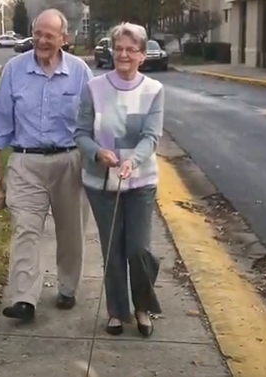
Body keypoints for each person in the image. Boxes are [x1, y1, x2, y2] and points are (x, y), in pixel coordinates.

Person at [0, 9, 94, 321]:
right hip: (25, 161)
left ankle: (67, 288)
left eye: (49, 35)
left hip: (69, 160)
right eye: (38, 33)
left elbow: (94, 117)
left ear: (64, 38)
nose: (42, 40)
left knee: (71, 231)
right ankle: (24, 299)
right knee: (25, 229)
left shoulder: (80, 72)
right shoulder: (14, 69)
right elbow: (2, 117)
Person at [74, 22, 164, 338]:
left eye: (131, 49)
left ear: (142, 55)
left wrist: (131, 161)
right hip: (101, 182)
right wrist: (99, 153)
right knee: (113, 248)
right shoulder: (95, 88)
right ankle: (116, 311)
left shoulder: (153, 90)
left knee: (138, 249)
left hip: (140, 181)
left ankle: (142, 306)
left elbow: (151, 136)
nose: (123, 54)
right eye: (119, 48)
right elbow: (81, 134)